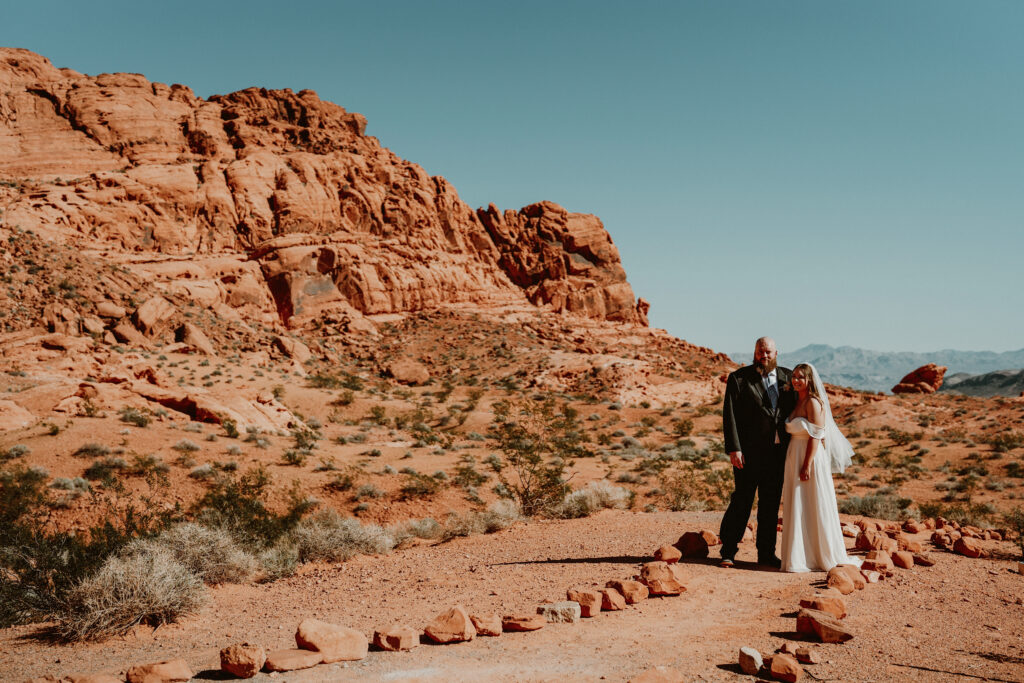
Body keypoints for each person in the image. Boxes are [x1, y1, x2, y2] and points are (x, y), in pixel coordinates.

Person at [719, 337, 796, 568]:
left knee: (770, 505)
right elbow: (729, 415)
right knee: (742, 500)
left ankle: (766, 554)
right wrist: (734, 448)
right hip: (748, 454)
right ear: (755, 353)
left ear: (776, 353)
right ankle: (728, 551)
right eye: (761, 352)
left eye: (769, 352)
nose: (765, 356)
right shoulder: (739, 378)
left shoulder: (788, 377)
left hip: (777, 454)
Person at [780, 362, 860, 572]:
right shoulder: (797, 401)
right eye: (794, 376)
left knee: (812, 502)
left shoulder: (813, 403)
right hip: (794, 455)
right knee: (798, 503)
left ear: (809, 380)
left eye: (801, 377)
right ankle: (800, 556)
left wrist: (806, 464)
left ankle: (819, 555)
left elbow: (816, 435)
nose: (796, 380)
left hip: (809, 457)